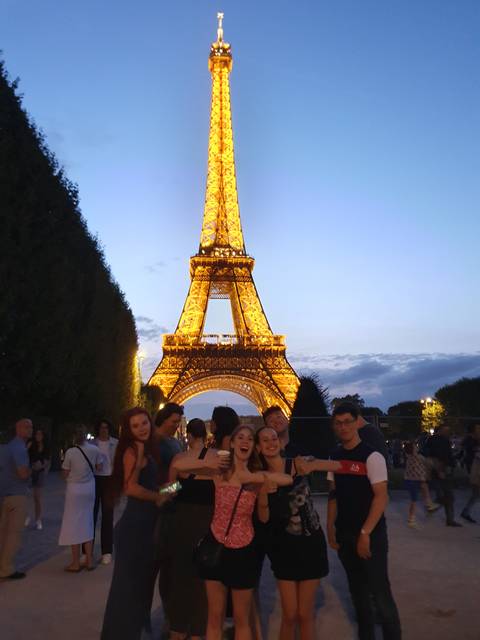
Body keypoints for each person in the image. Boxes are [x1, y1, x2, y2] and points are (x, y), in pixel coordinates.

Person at [199, 425, 292, 640]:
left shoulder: (255, 477)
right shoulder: (218, 473)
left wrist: (255, 480)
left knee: (242, 620)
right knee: (214, 617)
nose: (245, 441)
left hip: (243, 551)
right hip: (216, 546)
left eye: (250, 438)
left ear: (253, 446)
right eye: (239, 437)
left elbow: (287, 480)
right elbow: (181, 477)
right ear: (231, 443)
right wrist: (163, 492)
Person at [256, 426, 339, 640]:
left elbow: (334, 465)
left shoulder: (297, 464)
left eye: (273, 438)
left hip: (310, 544)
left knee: (304, 614)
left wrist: (364, 465)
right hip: (283, 549)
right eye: (265, 440)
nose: (271, 442)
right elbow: (263, 518)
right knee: (290, 614)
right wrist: (264, 494)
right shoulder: (257, 477)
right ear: (257, 447)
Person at [327, 403, 401, 640]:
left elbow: (381, 496)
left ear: (357, 421)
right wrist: (330, 527)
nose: (343, 427)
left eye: (348, 421)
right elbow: (333, 495)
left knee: (380, 594)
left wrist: (365, 533)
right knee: (358, 595)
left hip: (370, 535)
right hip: (345, 534)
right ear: (334, 426)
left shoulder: (373, 456)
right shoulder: (335, 457)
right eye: (338, 423)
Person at [101, 407, 175, 639]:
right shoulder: (135, 449)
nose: (142, 428)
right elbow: (130, 487)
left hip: (144, 525)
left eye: (144, 423)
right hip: (136, 527)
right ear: (128, 431)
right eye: (136, 426)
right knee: (129, 589)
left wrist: (179, 485)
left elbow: (156, 488)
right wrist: (158, 498)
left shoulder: (148, 449)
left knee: (136, 589)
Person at [165, 418, 230, 640]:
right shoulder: (218, 457)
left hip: (183, 522)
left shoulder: (179, 459)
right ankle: (200, 630)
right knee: (207, 580)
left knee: (181, 577)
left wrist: (180, 478)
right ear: (205, 435)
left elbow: (169, 492)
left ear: (189, 436)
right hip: (209, 521)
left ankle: (177, 628)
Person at [58, 425, 103, 571]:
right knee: (87, 522)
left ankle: (75, 562)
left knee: (73, 525)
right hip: (89, 489)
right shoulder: (95, 449)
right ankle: (89, 560)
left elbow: (64, 474)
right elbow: (99, 467)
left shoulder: (70, 452)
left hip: (74, 490)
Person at [0, 418, 32, 580]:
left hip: (4, 494)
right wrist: (35, 469)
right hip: (17, 495)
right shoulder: (19, 448)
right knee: (13, 534)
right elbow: (22, 473)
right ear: (18, 428)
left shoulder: (6, 447)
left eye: (31, 427)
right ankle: (6, 569)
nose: (30, 429)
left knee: (3, 532)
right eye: (26, 426)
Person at [92, 419, 118, 564]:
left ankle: (106, 551)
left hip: (109, 480)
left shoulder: (116, 443)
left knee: (108, 516)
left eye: (106, 427)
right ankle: (87, 551)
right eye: (101, 427)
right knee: (91, 516)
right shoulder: (91, 444)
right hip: (94, 480)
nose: (104, 430)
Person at [426, 425, 462, 527]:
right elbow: (442, 455)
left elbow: (432, 455)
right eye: (446, 430)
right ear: (440, 431)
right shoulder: (442, 441)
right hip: (443, 469)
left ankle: (437, 506)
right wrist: (441, 469)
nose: (448, 432)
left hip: (437, 469)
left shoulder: (431, 440)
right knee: (448, 495)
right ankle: (447, 517)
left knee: (443, 494)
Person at [403, 441, 440, 529]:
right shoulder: (418, 457)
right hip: (415, 480)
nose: (416, 447)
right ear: (413, 449)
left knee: (424, 487)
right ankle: (411, 520)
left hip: (411, 480)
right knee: (414, 501)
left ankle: (429, 504)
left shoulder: (409, 457)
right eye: (415, 446)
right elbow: (429, 463)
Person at [25, 428, 51, 530]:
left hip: (40, 472)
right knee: (26, 495)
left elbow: (48, 460)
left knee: (37, 498)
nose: (38, 436)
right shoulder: (31, 445)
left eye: (40, 434)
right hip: (30, 471)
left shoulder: (46, 447)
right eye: (37, 434)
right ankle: (26, 516)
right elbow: (24, 455)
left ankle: (38, 519)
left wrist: (42, 466)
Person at [154, 403, 185, 483]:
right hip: (162, 490)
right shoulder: (154, 442)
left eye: (178, 422)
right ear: (164, 419)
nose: (177, 425)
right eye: (174, 422)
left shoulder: (175, 442)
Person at [461, 423, 480, 523]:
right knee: (476, 492)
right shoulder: (471, 440)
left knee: (476, 493)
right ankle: (466, 511)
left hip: (475, 468)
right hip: (475, 469)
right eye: (478, 428)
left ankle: (466, 511)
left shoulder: (473, 440)